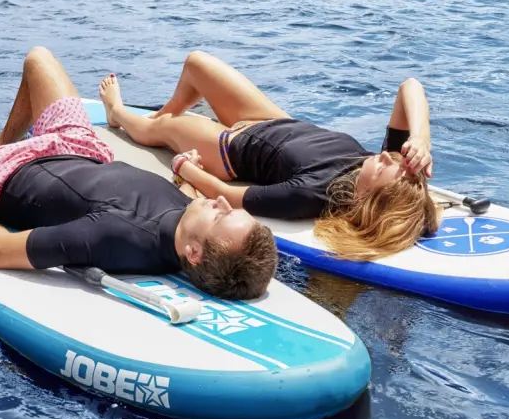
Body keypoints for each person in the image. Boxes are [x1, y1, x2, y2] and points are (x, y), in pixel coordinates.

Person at [0, 47, 279, 300]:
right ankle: (1, 137)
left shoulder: (112, 234)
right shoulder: (187, 224)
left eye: (223, 215)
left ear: (193, 253)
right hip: (79, 149)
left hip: (13, 174)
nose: (224, 200)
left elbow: (0, 252)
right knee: (39, 59)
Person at [98, 52, 440, 262]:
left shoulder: (311, 194)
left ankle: (119, 113)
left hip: (228, 149)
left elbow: (232, 196)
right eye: (392, 158)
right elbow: (410, 87)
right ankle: (160, 114)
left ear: (367, 196)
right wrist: (420, 138)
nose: (385, 156)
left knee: (168, 127)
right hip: (274, 121)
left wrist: (186, 169)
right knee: (196, 64)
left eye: (386, 166)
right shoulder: (373, 165)